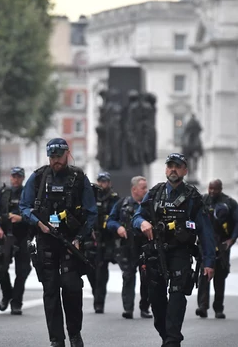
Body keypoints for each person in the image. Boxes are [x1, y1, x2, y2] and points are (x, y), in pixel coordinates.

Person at [19, 138, 98, 347]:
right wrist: (39, 224)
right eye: (52, 157)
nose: (55, 161)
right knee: (51, 291)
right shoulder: (37, 178)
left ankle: (74, 334)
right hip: (46, 240)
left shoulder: (79, 178)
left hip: (71, 242)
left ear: (67, 154)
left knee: (72, 288)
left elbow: (91, 213)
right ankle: (56, 339)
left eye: (59, 156)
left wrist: (80, 238)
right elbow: (24, 207)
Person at [132, 153, 216, 347]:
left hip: (181, 252)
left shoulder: (193, 197)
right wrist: (143, 222)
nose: (173, 170)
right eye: (170, 166)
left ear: (185, 170)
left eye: (177, 166)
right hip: (156, 252)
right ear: (165, 169)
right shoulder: (155, 193)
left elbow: (206, 232)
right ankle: (167, 336)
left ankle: (172, 340)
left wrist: (209, 262)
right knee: (157, 301)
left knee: (177, 296)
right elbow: (137, 217)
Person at [195, 179, 238, 319]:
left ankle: (218, 308)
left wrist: (232, 239)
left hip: (222, 244)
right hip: (205, 244)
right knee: (204, 274)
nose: (212, 192)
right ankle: (202, 307)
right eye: (210, 188)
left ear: (220, 189)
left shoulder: (229, 203)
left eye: (215, 189)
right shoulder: (202, 200)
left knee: (220, 276)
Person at [0, 166, 32, 315]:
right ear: (10, 177)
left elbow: (36, 214)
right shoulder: (2, 193)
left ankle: (16, 302)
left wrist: (21, 218)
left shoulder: (29, 194)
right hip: (5, 236)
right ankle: (7, 295)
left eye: (19, 177)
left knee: (23, 271)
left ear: (23, 178)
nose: (16, 179)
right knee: (0, 268)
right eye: (14, 176)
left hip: (23, 237)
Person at [107, 175, 152, 319]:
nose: (146, 190)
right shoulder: (122, 203)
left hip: (145, 247)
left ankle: (145, 308)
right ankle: (128, 309)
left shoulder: (150, 205)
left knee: (147, 278)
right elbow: (110, 221)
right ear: (134, 189)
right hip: (127, 247)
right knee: (128, 276)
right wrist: (118, 227)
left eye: (146, 187)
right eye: (143, 188)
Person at [87, 171, 120, 314]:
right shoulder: (92, 196)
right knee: (89, 270)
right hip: (91, 237)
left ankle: (99, 302)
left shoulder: (114, 199)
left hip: (107, 239)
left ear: (109, 183)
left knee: (101, 272)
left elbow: (116, 217)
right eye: (100, 181)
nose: (102, 184)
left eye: (105, 181)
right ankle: (96, 293)